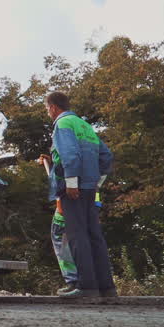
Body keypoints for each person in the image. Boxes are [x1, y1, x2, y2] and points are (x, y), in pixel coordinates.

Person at [46, 92, 117, 298]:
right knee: (94, 235)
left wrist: (71, 182)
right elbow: (106, 156)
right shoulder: (85, 126)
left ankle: (86, 287)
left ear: (53, 107)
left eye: (47, 109)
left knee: (77, 235)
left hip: (74, 188)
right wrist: (97, 182)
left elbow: (69, 154)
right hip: (90, 188)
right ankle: (106, 287)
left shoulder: (63, 124)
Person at [38, 155, 79, 294]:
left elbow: (63, 176)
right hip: (84, 206)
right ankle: (86, 281)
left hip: (66, 207)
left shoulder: (64, 140)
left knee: (62, 242)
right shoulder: (88, 144)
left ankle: (73, 281)